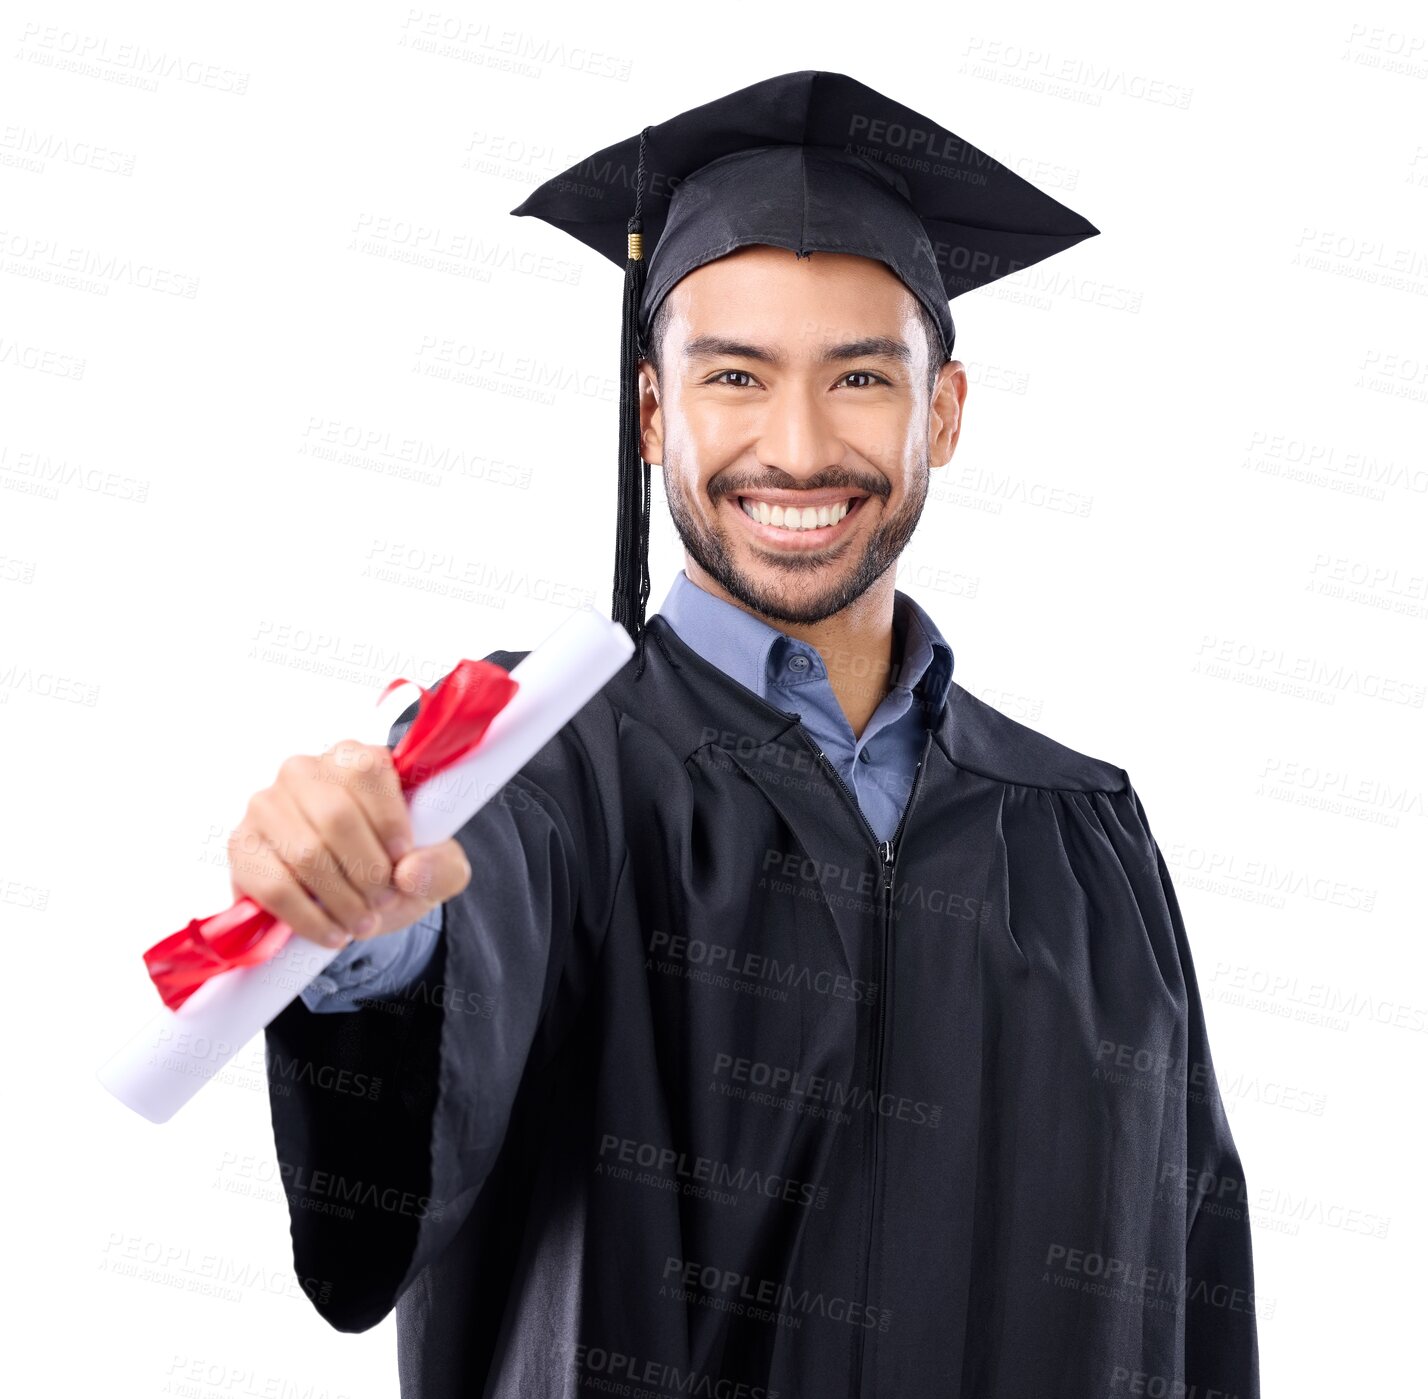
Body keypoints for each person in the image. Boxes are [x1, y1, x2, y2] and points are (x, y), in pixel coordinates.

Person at [238, 70, 1260, 1399]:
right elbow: (401, 1118)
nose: (796, 445)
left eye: (857, 377)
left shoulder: (1080, 830)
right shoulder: (536, 769)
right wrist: (370, 945)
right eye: (734, 375)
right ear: (654, 413)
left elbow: (1186, 1296)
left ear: (940, 413)